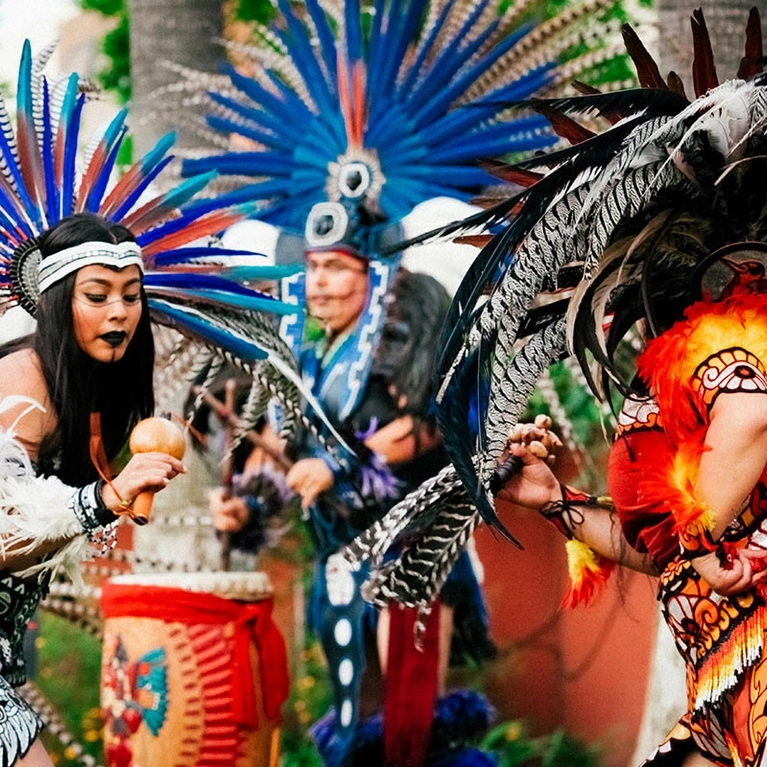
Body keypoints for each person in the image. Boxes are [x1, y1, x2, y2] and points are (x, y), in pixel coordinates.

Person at [0, 214, 186, 767]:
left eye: (131, 296)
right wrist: (101, 500)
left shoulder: (88, 393)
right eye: (97, 295)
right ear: (60, 303)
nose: (119, 312)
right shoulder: (22, 385)